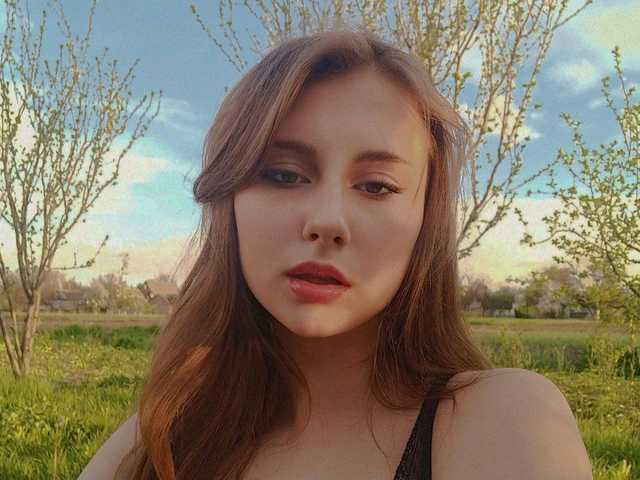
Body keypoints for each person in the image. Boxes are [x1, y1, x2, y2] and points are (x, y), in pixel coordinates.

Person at [79, 23, 592, 480]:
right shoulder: (161, 437)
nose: (327, 221)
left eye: (376, 186)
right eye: (284, 175)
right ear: (229, 200)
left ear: (426, 221)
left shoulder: (504, 423)